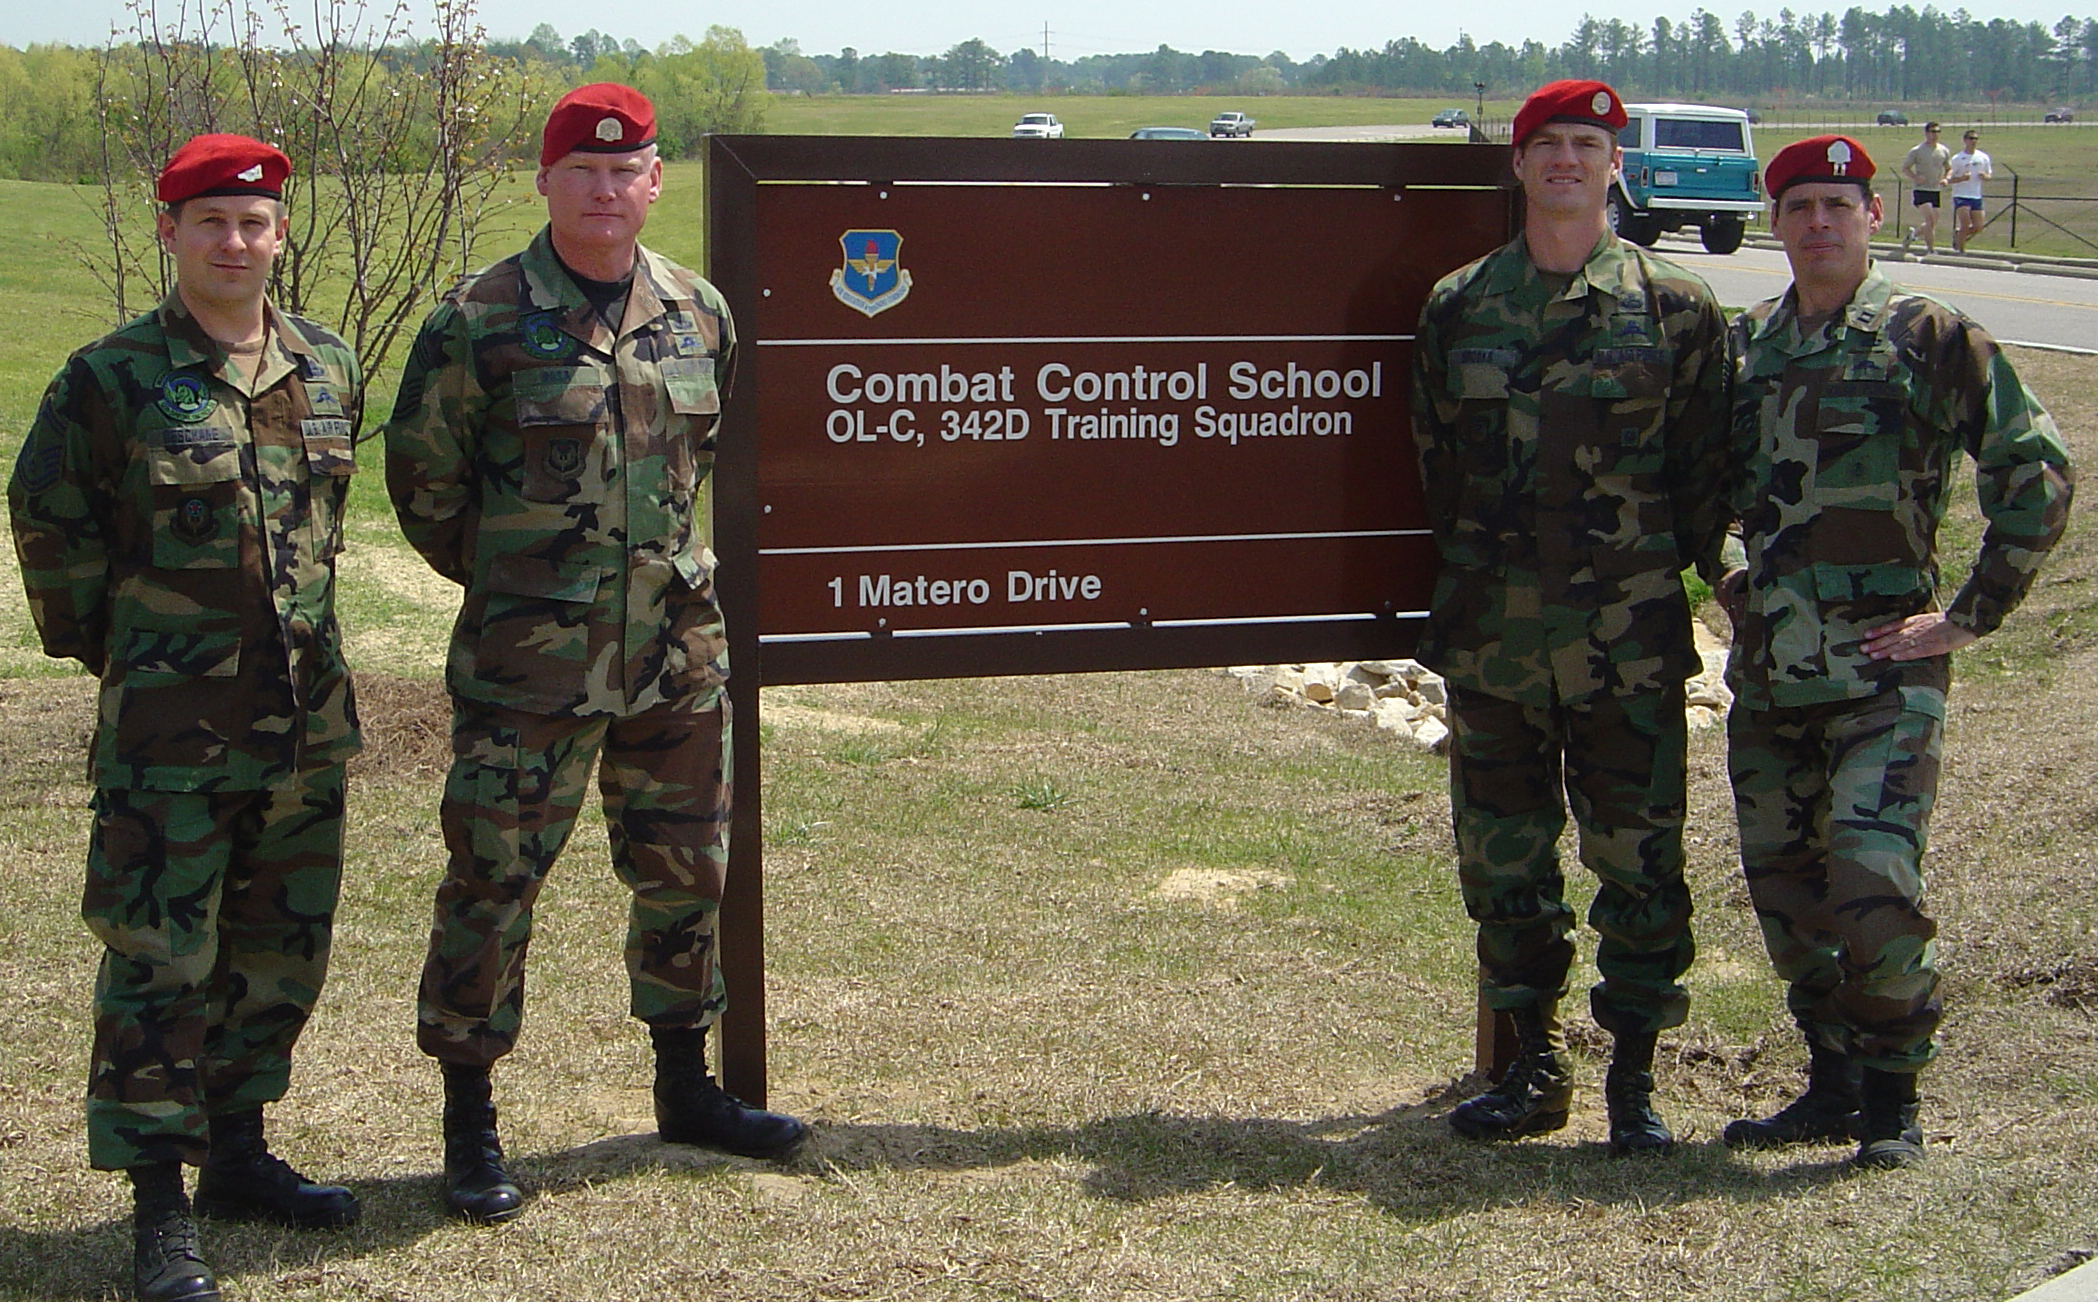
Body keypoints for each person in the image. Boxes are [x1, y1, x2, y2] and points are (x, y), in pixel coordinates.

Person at [384, 82, 806, 1224]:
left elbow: (696, 464)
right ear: (546, 181)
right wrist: (530, 582)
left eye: (627, 171)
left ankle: (687, 1090)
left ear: (655, 181)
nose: (607, 190)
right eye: (583, 170)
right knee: (493, 883)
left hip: (673, 657)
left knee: (684, 874)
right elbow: (425, 490)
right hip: (531, 667)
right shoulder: (477, 319)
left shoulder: (700, 311)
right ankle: (470, 1124)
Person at [8, 134, 363, 1301]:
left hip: (304, 730)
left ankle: (243, 1156)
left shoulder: (325, 365)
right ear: (169, 233)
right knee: (161, 965)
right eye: (209, 220)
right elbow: (50, 520)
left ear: (279, 234)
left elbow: (325, 531)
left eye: (254, 222)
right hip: (170, 734)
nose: (235, 241)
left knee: (277, 954)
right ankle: (159, 1205)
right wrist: (121, 651)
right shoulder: (111, 378)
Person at [1719, 136, 2072, 1169]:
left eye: (1838, 204)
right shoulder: (1748, 347)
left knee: (1870, 878)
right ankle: (1827, 1084)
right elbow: (1692, 482)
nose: (1818, 224)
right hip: (1774, 674)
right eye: (1799, 208)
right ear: (1774, 223)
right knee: (1786, 891)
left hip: (1883, 671)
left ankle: (1891, 1100)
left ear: (1873, 215)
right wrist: (1728, 582)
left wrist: (1971, 613)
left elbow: (2033, 465)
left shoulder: (1923, 334)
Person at [1410, 79, 1733, 1156]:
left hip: (1625, 648)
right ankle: (1531, 1068)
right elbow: (1434, 465)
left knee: (1640, 867)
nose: (1564, 160)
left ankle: (1634, 1081)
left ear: (1612, 166)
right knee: (1504, 864)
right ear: (1517, 165)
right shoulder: (1460, 305)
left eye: (1585, 144)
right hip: (1494, 644)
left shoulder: (1676, 308)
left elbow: (1703, 481)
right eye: (1545, 143)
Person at [1899, 122, 1950, 257]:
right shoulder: (1917, 150)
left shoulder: (1943, 150)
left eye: (1937, 131)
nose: (1935, 134)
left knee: (1933, 222)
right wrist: (1915, 177)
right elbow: (1905, 168)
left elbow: (1948, 168)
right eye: (1932, 131)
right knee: (1930, 220)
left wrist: (1946, 179)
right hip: (1921, 190)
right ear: (1926, 133)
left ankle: (1913, 235)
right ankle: (1931, 250)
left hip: (1935, 190)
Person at [1947, 129, 1992, 254]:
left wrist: (1985, 176)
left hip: (1976, 195)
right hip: (1961, 195)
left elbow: (1989, 175)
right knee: (1965, 224)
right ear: (1965, 140)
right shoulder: (1958, 158)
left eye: (1976, 139)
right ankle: (1961, 251)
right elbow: (1949, 179)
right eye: (1971, 139)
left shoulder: (1983, 157)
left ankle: (1959, 235)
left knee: (1979, 227)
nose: (1973, 141)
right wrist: (1962, 178)